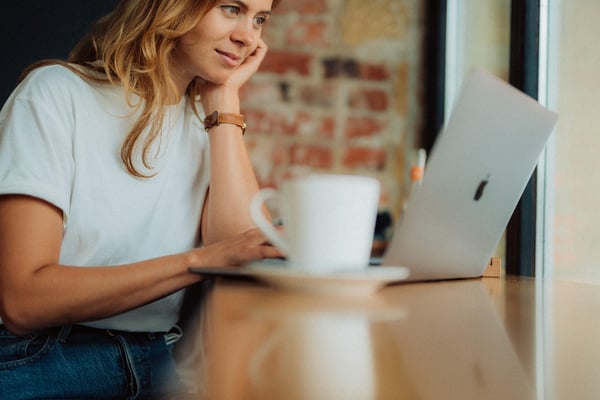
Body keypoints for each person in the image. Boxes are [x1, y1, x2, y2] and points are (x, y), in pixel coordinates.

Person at [0, 0, 283, 398]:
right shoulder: (55, 95)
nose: (248, 37)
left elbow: (243, 253)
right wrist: (196, 261)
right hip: (44, 360)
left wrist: (224, 103)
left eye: (260, 20)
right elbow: (23, 300)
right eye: (231, 9)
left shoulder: (210, 127)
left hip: (158, 360)